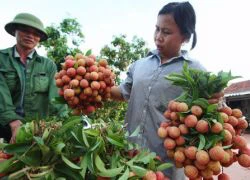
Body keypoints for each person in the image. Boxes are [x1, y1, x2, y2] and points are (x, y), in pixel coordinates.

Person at [111, 2, 203, 179]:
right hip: (129, 156)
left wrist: (214, 98)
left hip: (166, 162)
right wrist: (96, 85)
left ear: (184, 36)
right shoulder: (140, 65)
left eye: (166, 32)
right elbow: (123, 92)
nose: (158, 37)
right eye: (157, 29)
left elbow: (211, 109)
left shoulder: (196, 71)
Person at [0, 13, 67, 144]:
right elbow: (2, 96)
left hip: (36, 131)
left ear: (39, 38)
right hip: (4, 126)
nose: (30, 36)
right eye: (25, 30)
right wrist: (13, 122)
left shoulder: (48, 65)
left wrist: (66, 123)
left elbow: (56, 99)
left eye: (36, 33)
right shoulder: (2, 59)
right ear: (15, 31)